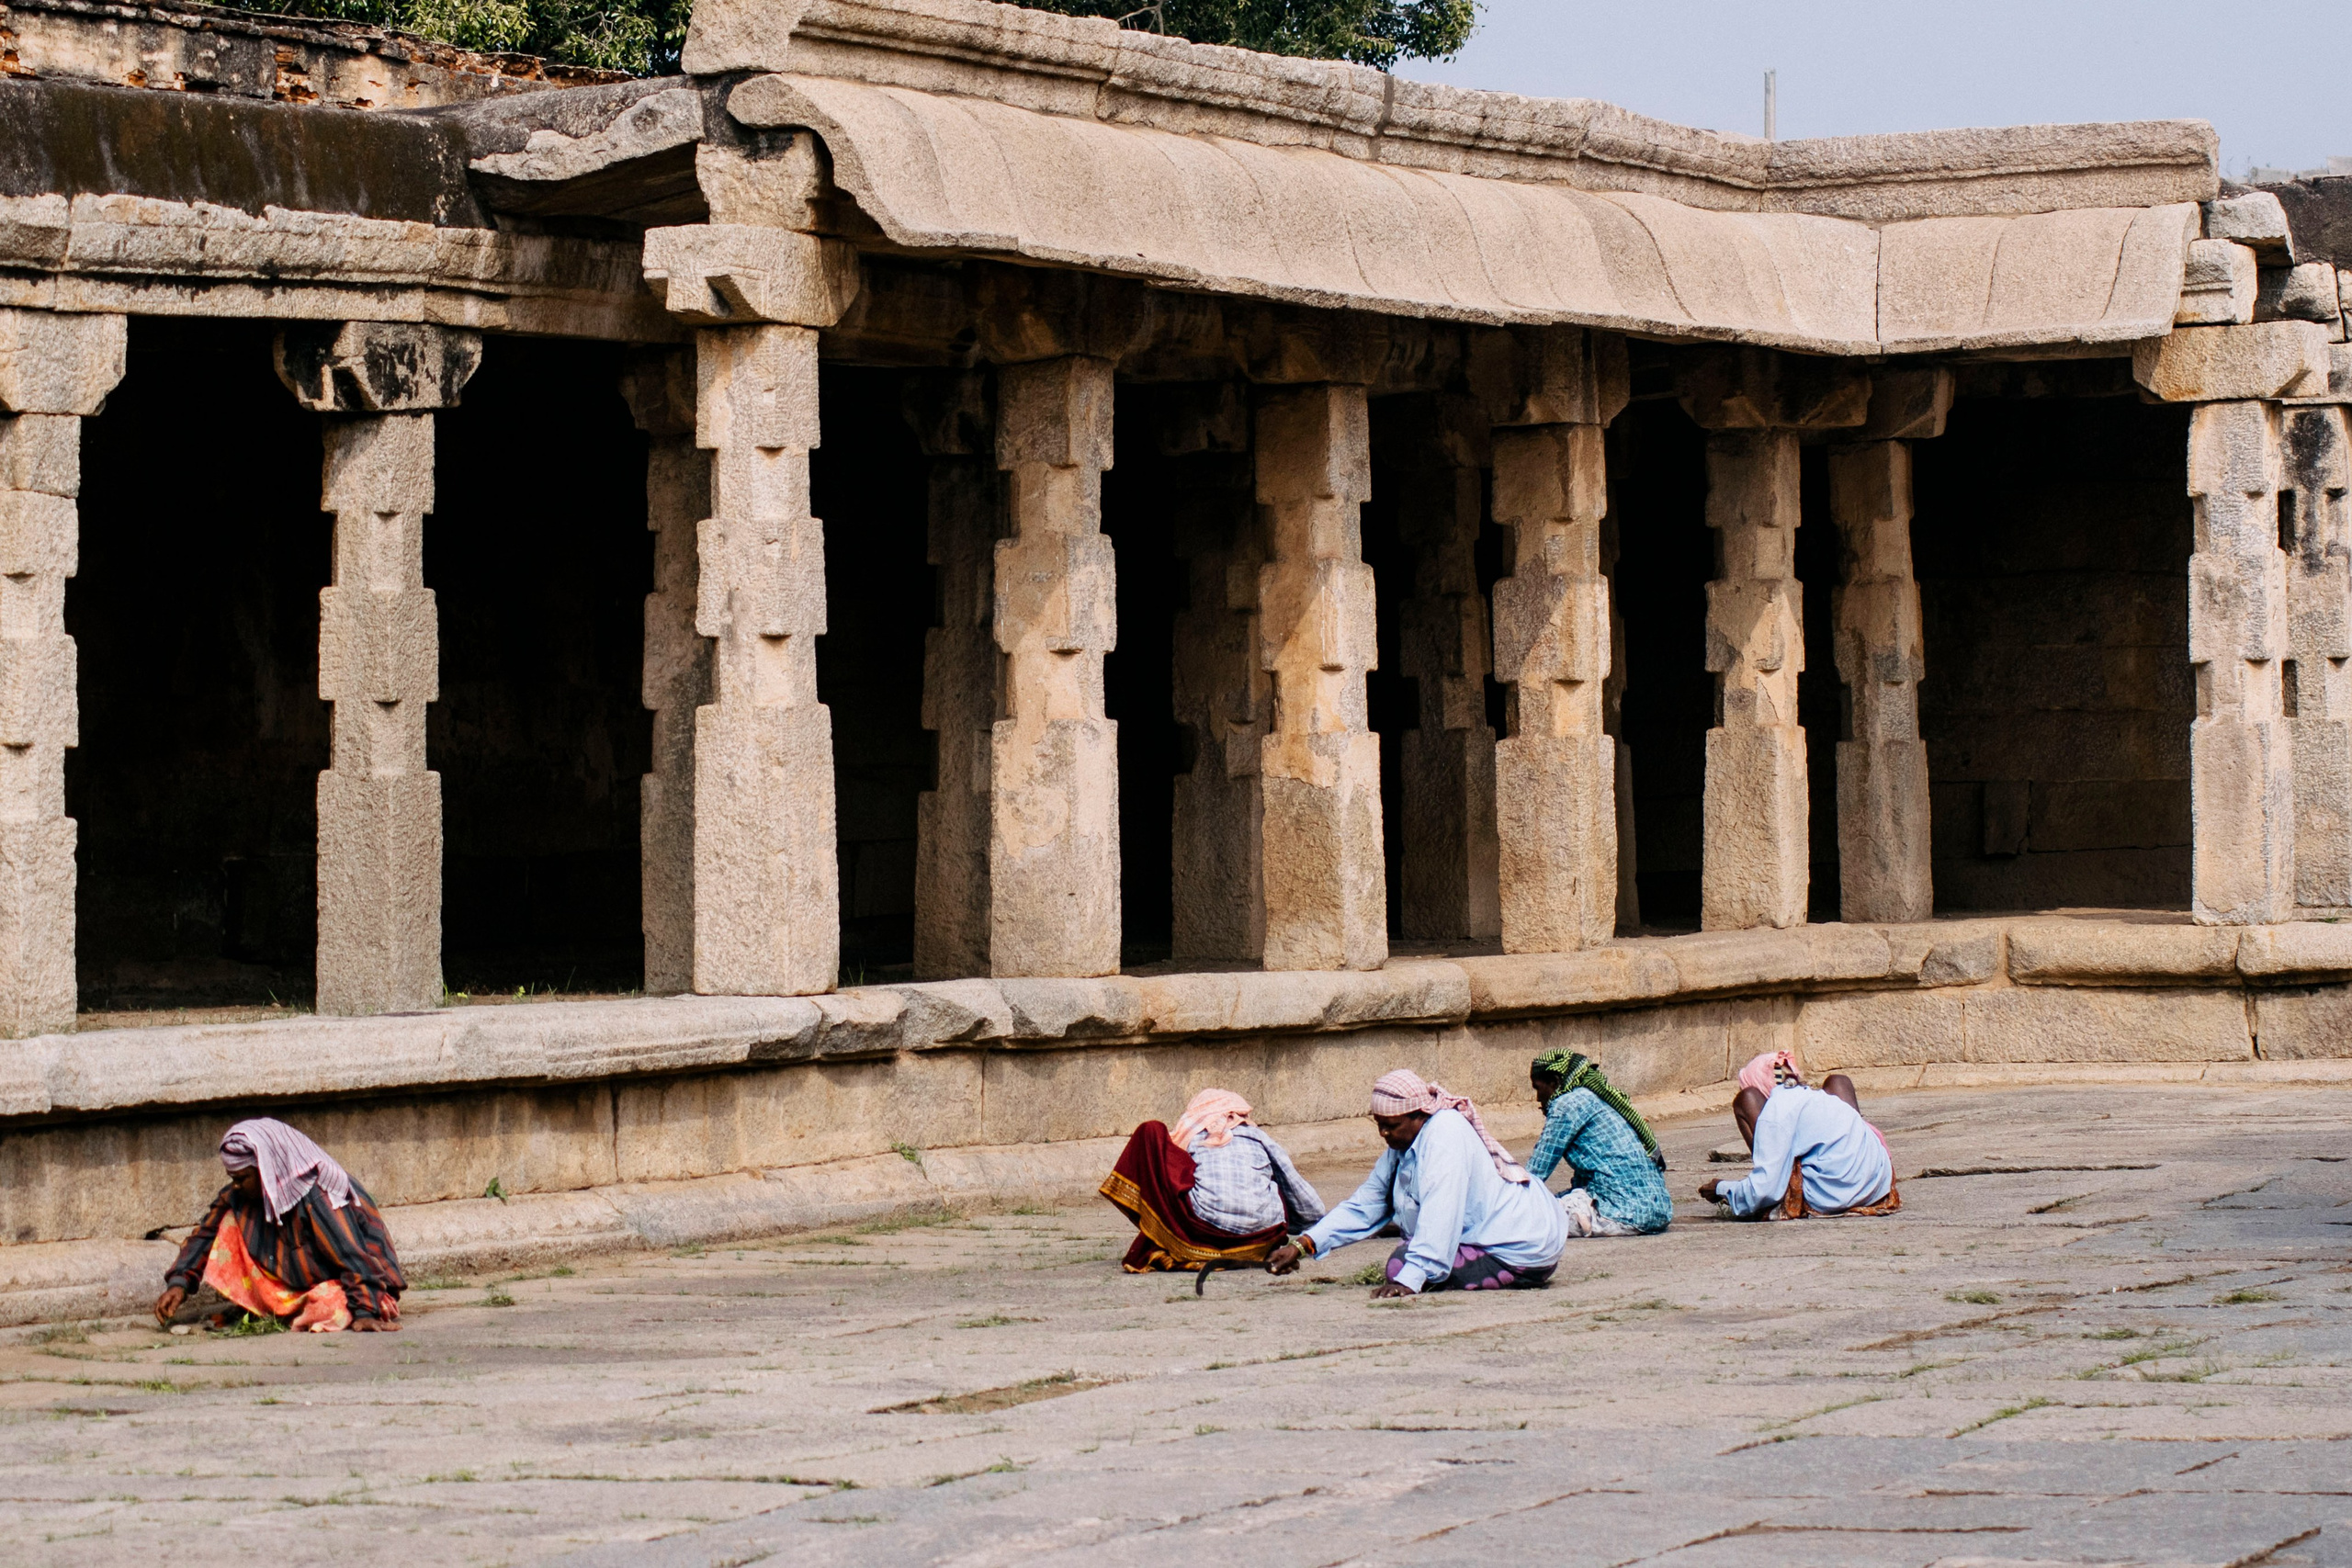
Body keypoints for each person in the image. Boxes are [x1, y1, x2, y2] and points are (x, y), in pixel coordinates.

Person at [1266, 1069, 1566, 1297]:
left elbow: (1441, 1210)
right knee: (1405, 1256)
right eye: (1379, 1125)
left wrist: (1410, 1280)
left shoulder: (1444, 1134)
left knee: (1401, 1265)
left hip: (1520, 1252)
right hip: (1516, 1246)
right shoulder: (1403, 1146)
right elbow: (1365, 1205)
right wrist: (1303, 1245)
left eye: (1391, 1126)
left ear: (1419, 1115)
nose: (1383, 1134)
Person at [153, 1118, 407, 1332]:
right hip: (297, 1285)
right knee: (228, 1221)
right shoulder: (241, 1194)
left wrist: (365, 1310)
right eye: (233, 1179)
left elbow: (352, 1254)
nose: (237, 1186)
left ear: (266, 1170)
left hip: (355, 1285)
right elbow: (204, 1235)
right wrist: (179, 1283)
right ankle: (281, 1308)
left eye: (242, 1178)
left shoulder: (318, 1194)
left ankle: (344, 1308)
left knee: (332, 1307)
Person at [1100, 1088, 1326, 1272]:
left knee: (1152, 1133)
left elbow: (1169, 1184)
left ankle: (1179, 1239)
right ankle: (1242, 1244)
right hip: (1262, 1238)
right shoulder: (1258, 1136)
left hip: (1204, 1230)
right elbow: (1301, 1196)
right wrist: (1309, 1225)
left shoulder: (1192, 1137)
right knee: (1274, 1182)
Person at [1697, 1052, 1900, 1220]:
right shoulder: (1814, 1098)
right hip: (1877, 1188)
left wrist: (1722, 1188)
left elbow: (1765, 1190)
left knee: (1745, 1100)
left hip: (1835, 1196)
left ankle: (1777, 1173)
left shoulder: (1775, 1112)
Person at [1526, 1050, 1673, 1236]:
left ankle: (1585, 1218)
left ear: (1555, 1082)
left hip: (1623, 1211)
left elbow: (1536, 1172)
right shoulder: (1597, 1098)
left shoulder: (1566, 1105)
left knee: (1528, 1217)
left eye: (1538, 1088)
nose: (1538, 1098)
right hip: (1657, 1211)